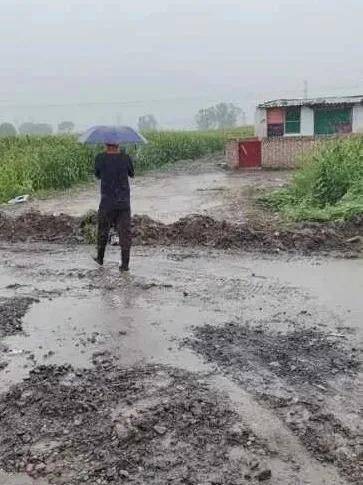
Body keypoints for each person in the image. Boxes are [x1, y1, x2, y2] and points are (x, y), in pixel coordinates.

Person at [93, 143, 134, 271]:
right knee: (125, 234)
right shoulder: (125, 157)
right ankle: (125, 265)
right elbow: (132, 173)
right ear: (119, 144)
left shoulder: (100, 157)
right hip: (123, 203)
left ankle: (100, 258)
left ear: (105, 143)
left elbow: (98, 175)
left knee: (103, 231)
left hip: (107, 202)